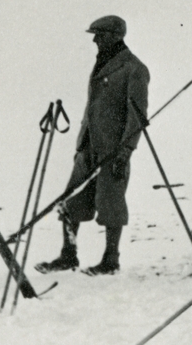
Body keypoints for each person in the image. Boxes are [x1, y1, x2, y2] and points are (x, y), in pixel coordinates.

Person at [37, 15, 149, 276]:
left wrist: (125, 152)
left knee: (111, 204)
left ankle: (111, 260)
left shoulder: (134, 69)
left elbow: (137, 117)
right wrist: (81, 146)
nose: (96, 40)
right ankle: (68, 255)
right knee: (71, 201)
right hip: (88, 148)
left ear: (115, 36)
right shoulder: (102, 64)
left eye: (100, 35)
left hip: (113, 151)